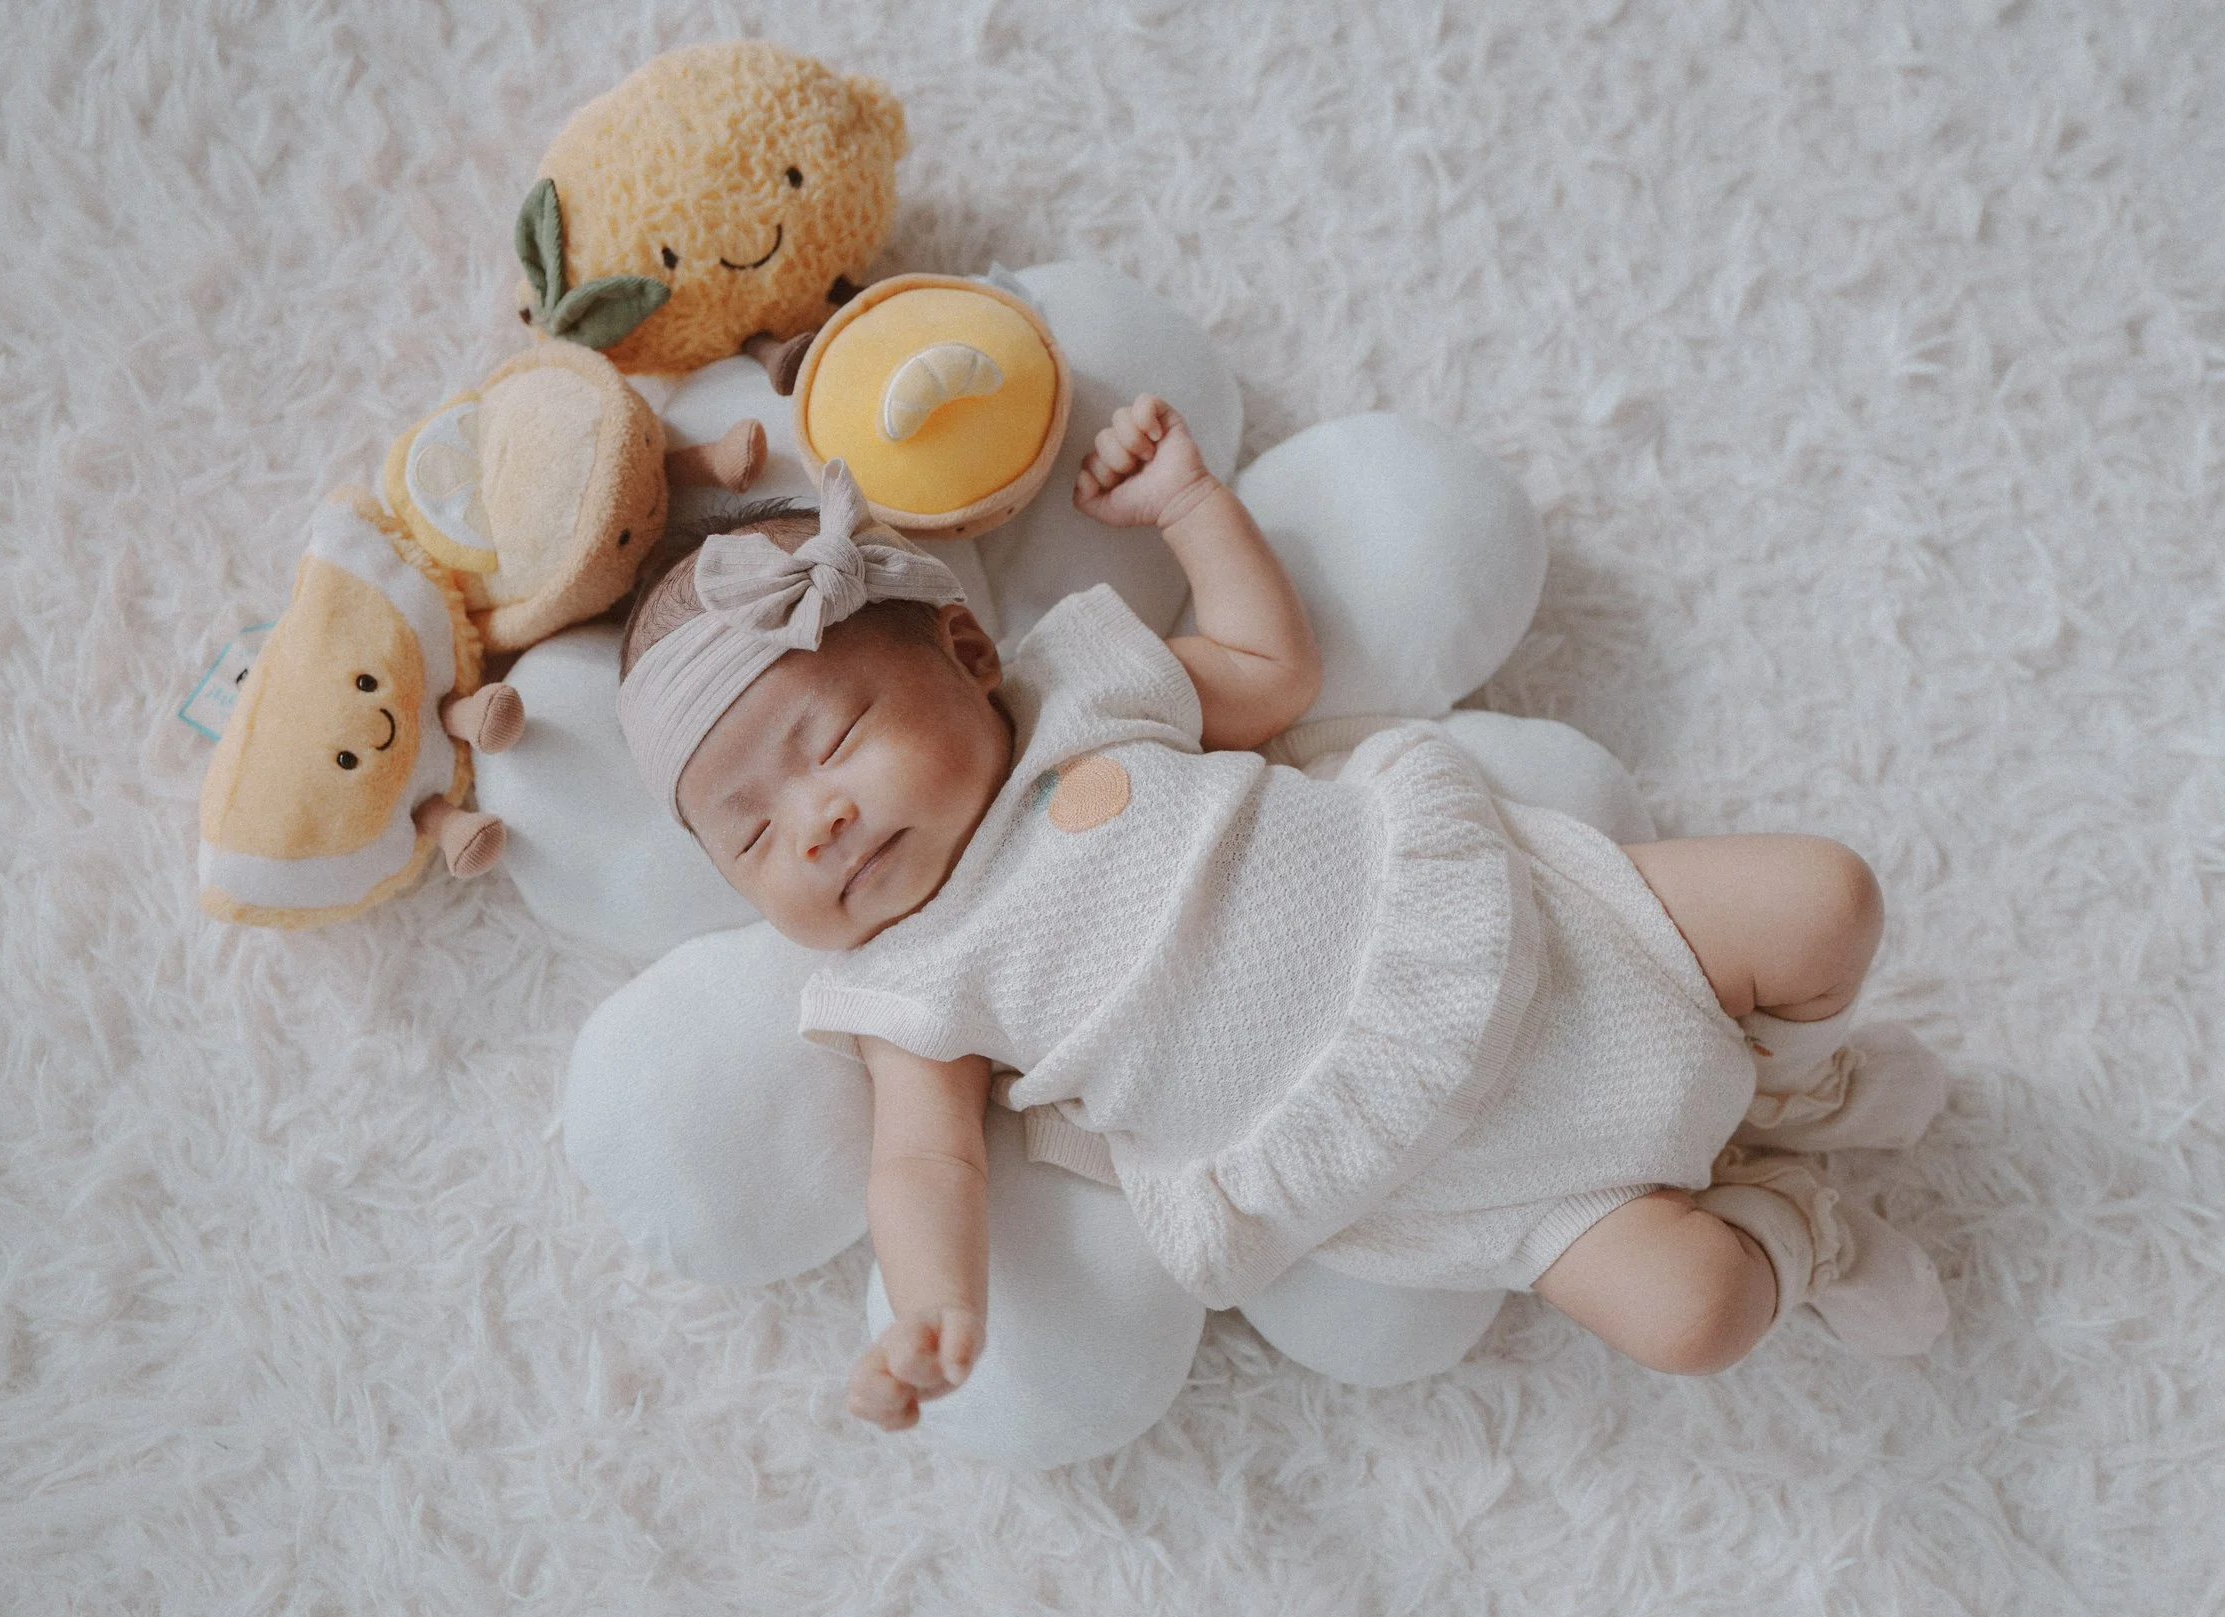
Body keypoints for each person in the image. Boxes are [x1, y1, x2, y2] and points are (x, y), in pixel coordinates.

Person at [614, 396, 1948, 1434]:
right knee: (1693, 1313)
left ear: (966, 657)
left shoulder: (1078, 691)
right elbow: (923, 1166)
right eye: (752, 833)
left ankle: (1788, 1075)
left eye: (833, 740)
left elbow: (1270, 667)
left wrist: (1190, 507)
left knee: (1826, 898)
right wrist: (932, 1305)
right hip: (1431, 1157)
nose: (814, 822)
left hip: (1520, 931)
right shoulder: (908, 980)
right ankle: (1801, 1229)